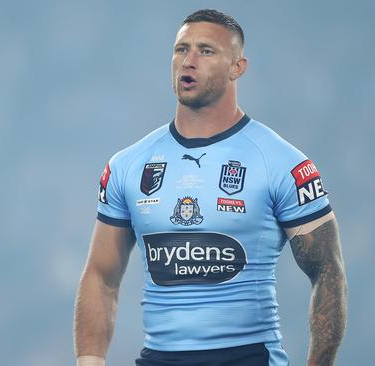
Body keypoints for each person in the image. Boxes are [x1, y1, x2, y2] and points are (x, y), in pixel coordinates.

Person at [74, 9, 348, 366]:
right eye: (181, 49)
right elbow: (101, 275)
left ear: (237, 67)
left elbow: (327, 270)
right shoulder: (128, 165)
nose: (188, 61)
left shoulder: (282, 163)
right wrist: (90, 361)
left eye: (206, 51)